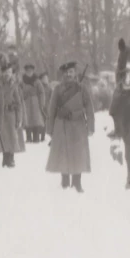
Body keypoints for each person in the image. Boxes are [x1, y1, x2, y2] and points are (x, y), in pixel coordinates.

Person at [45, 62, 94, 192]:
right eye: (66, 72)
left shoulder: (82, 89)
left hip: (78, 125)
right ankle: (65, 181)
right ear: (63, 74)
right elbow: (52, 109)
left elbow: (89, 107)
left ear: (75, 73)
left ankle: (77, 182)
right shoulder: (57, 89)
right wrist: (50, 129)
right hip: (62, 125)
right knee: (63, 153)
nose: (68, 74)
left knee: (79, 154)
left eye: (71, 71)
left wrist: (91, 126)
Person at [0, 53, 23, 168]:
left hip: (11, 114)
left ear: (12, 73)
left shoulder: (14, 86)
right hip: (1, 114)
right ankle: (5, 158)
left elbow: (19, 104)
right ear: (1, 73)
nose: (7, 74)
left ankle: (11, 158)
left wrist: (19, 118)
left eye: (9, 72)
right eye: (5, 72)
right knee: (3, 137)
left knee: (12, 136)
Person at [21, 64, 47, 143]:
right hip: (26, 102)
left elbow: (41, 92)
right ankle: (28, 137)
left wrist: (42, 103)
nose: (29, 72)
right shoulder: (22, 81)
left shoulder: (37, 81)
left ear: (33, 71)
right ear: (25, 72)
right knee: (27, 119)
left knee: (36, 120)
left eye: (31, 71)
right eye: (27, 71)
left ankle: (36, 137)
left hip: (35, 102)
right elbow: (19, 91)